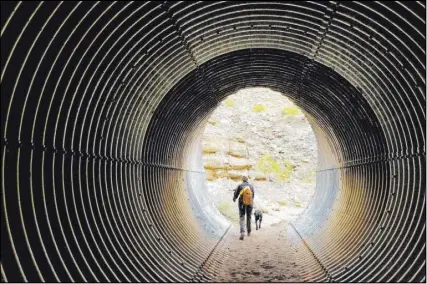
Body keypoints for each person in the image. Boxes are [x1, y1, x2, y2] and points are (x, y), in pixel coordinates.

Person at [233, 173, 255, 240]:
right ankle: (249, 231)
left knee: (242, 217)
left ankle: (242, 232)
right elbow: (253, 195)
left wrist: (234, 198)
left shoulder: (240, 185)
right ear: (247, 179)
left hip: (241, 203)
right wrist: (250, 202)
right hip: (250, 203)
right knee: (249, 217)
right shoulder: (251, 186)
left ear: (242, 179)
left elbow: (236, 194)